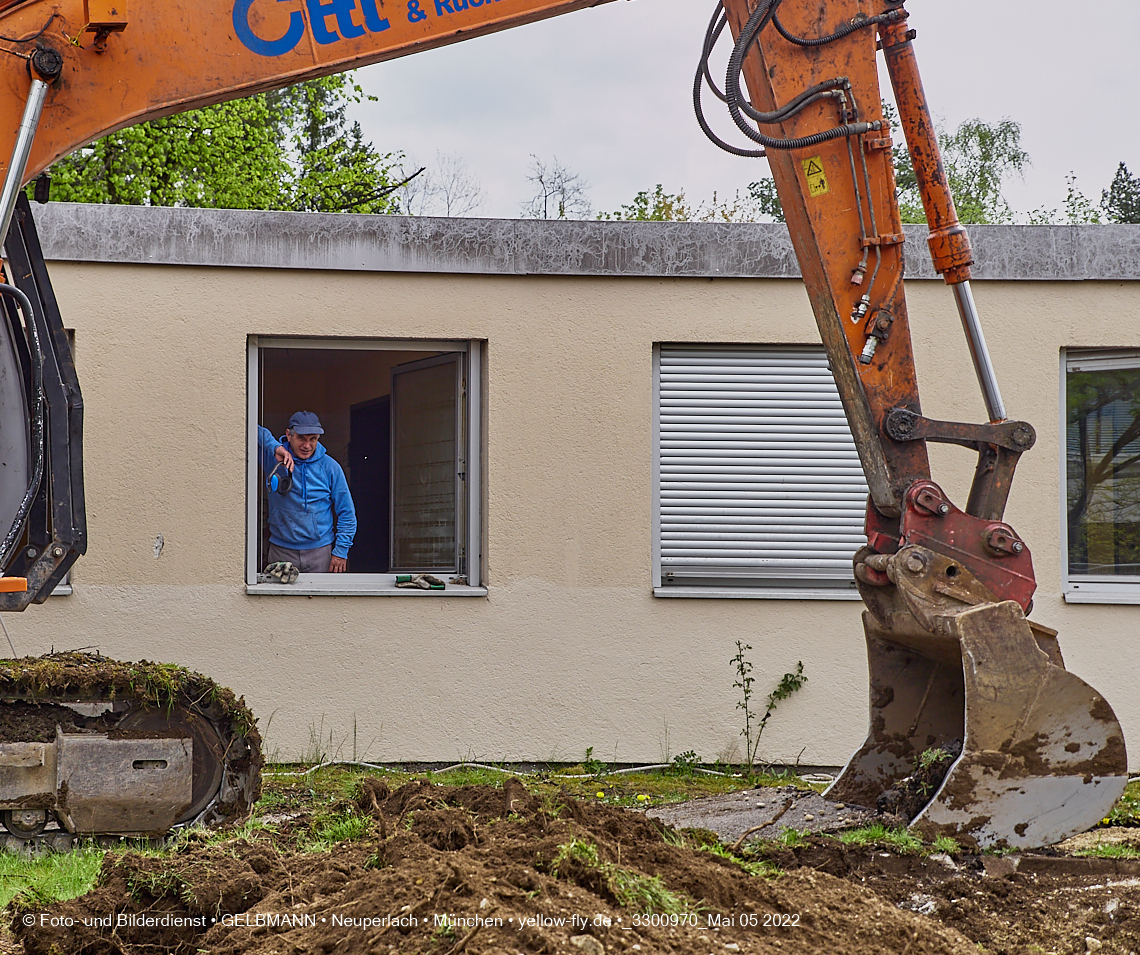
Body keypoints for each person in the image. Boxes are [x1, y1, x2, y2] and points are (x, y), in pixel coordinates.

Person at [258, 411, 357, 574]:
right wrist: (274, 446)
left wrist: (340, 551)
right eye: (301, 438)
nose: (307, 445)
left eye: (313, 439)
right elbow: (246, 427)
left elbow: (347, 512)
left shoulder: (330, 467)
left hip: (320, 552)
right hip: (281, 550)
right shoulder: (273, 458)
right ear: (289, 435)